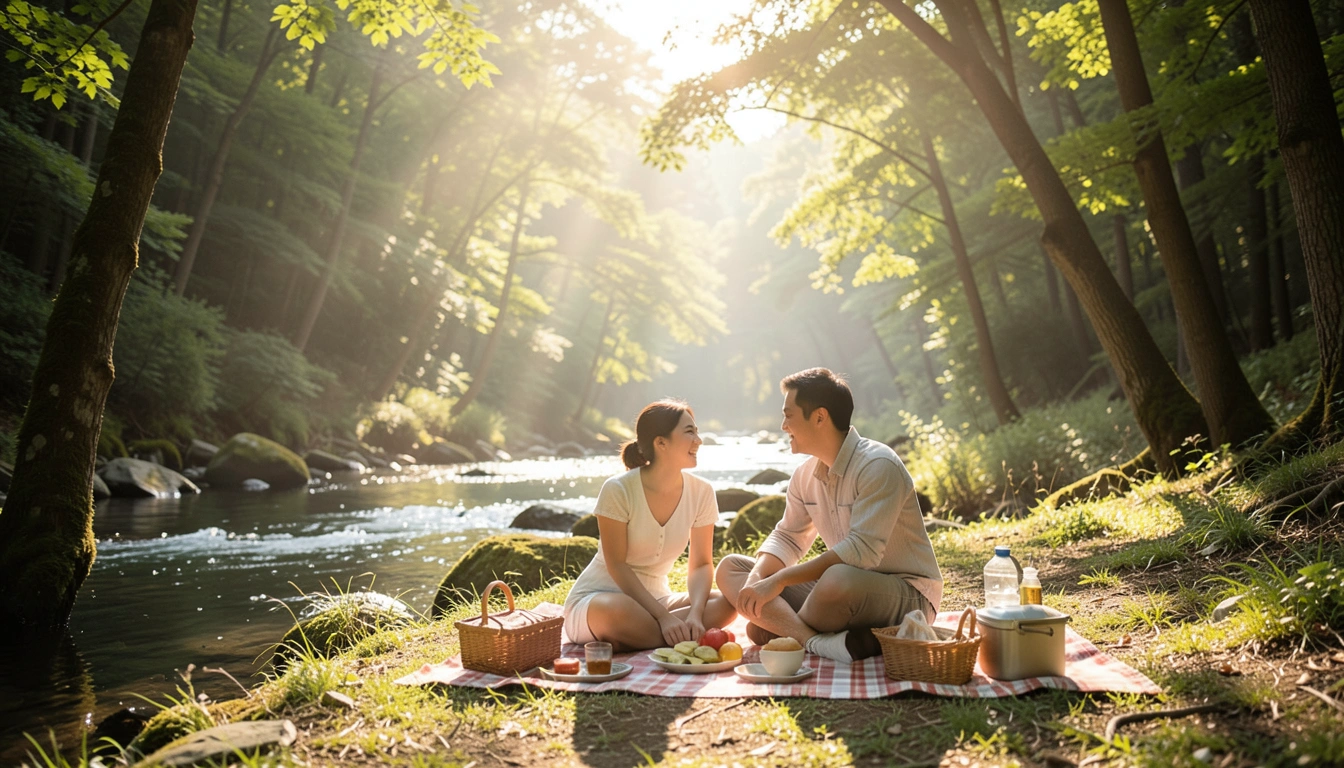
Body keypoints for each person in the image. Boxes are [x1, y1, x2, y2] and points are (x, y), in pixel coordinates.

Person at [715, 368, 942, 662]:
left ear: (820, 417)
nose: (783, 426)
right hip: (839, 591)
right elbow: (788, 537)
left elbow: (860, 551)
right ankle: (816, 641)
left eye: (788, 415)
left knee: (830, 583)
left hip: (907, 594)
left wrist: (779, 582)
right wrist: (757, 578)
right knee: (730, 568)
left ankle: (785, 629)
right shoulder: (804, 475)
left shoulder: (878, 465)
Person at [563, 399, 737, 651]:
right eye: (690, 432)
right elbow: (617, 565)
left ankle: (643, 636)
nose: (698, 440)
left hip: (659, 600)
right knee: (618, 611)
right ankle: (666, 635)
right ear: (661, 443)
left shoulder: (702, 491)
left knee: (727, 602)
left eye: (697, 432)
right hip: (600, 601)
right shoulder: (618, 489)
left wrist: (696, 614)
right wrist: (664, 618)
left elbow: (701, 564)